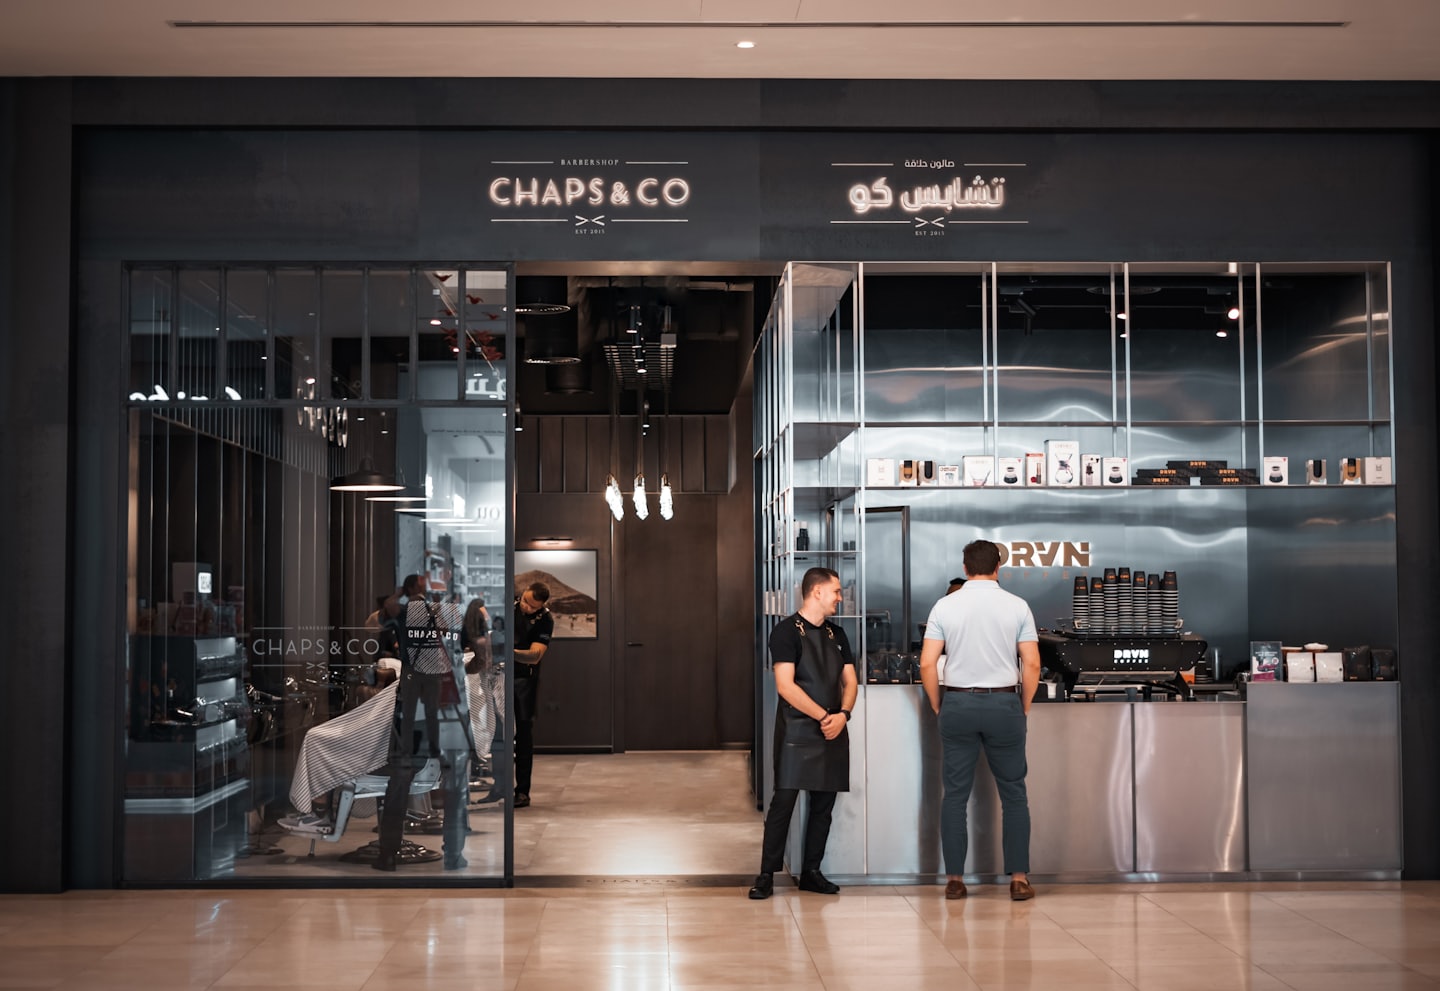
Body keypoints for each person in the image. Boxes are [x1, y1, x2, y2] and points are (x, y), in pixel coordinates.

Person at [919, 540, 1041, 901]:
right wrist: (1024, 705)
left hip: (958, 703)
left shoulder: (945, 606)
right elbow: (1032, 663)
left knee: (955, 795)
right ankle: (1018, 879)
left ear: (965, 567)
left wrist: (938, 704)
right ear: (998, 567)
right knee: (1014, 794)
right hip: (1004, 703)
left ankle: (955, 880)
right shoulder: (1017, 606)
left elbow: (927, 663)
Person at [748, 567, 858, 900]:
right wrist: (825, 716)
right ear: (817, 592)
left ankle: (812, 871)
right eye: (836, 591)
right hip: (797, 730)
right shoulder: (785, 632)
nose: (840, 597)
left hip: (833, 728)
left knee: (824, 805)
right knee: (783, 802)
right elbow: (785, 686)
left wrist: (843, 715)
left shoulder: (838, 634)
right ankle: (766, 874)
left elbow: (850, 682)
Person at [374, 574, 472, 871]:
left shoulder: (403, 613)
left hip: (414, 710)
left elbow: (376, 621)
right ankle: (453, 853)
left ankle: (388, 853)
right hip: (445, 710)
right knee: (454, 781)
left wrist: (398, 596)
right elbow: (475, 655)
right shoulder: (449, 613)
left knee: (401, 779)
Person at [510, 582, 552, 809]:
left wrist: (508, 652)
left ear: (542, 606)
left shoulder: (545, 620)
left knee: (524, 734)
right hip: (498, 675)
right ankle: (499, 787)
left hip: (524, 680)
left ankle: (522, 792)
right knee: (498, 733)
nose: (526, 607)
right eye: (525, 601)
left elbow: (535, 655)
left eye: (533, 606)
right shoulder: (509, 605)